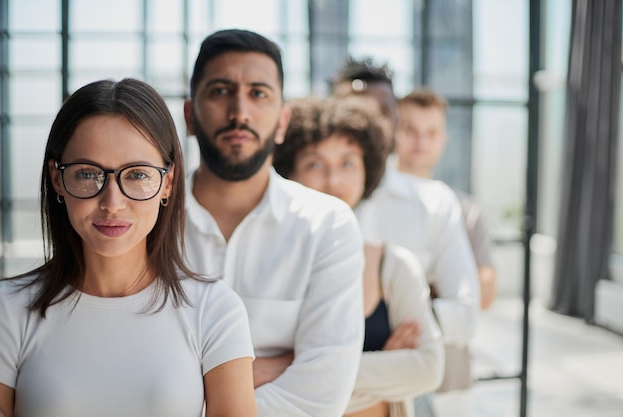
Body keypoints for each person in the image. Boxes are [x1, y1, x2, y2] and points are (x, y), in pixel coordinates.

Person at [0, 78, 257, 417]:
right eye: (88, 174)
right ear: (57, 178)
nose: (112, 203)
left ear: (168, 182)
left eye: (137, 175)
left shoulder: (214, 310)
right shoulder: (7, 309)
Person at [182, 29, 365, 416]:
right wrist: (279, 363)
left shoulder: (327, 226)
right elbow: (127, 367)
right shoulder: (145, 220)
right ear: (189, 116)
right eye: (219, 91)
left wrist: (186, 390)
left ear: (282, 122)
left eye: (258, 93)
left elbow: (321, 391)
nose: (240, 112)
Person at [273, 95, 444, 417]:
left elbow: (429, 367)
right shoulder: (269, 267)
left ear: (368, 171)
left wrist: (291, 367)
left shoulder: (393, 265)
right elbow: (244, 386)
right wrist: (384, 364)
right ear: (290, 173)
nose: (333, 180)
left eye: (348, 163)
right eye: (315, 163)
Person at [331, 57, 481, 417]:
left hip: (403, 393)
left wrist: (402, 323)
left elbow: (465, 312)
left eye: (381, 111)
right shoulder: (298, 201)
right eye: (352, 111)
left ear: (395, 122)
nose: (367, 122)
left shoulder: (433, 202)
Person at [395, 88, 496, 310]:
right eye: (410, 130)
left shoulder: (466, 210)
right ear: (393, 133)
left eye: (431, 133)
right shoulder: (376, 203)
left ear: (443, 138)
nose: (421, 141)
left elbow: (485, 293)